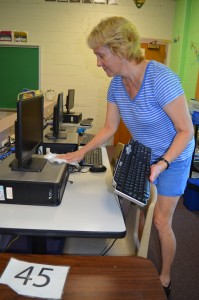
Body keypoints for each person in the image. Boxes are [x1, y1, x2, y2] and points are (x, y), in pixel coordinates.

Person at [59, 16, 195, 296]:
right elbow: (109, 128)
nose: (98, 62)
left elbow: (186, 131)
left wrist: (163, 163)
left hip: (174, 157)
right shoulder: (116, 85)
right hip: (144, 153)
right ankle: (140, 256)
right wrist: (80, 152)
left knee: (161, 221)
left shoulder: (161, 79)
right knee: (142, 211)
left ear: (120, 49)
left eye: (100, 55)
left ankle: (166, 276)